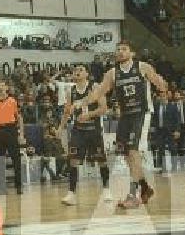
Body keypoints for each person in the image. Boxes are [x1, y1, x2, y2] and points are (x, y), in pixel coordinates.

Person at [75, 40, 167, 209]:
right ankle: (145, 188)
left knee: (132, 151)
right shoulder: (112, 73)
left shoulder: (142, 67)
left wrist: (162, 85)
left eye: (124, 49)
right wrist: (82, 103)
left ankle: (132, 194)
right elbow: (98, 92)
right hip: (125, 116)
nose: (120, 52)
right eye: (118, 50)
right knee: (125, 154)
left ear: (131, 53)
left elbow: (160, 85)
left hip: (141, 113)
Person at [57, 64, 112, 206]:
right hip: (78, 130)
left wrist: (89, 115)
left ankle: (106, 189)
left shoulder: (95, 87)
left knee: (101, 160)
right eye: (75, 70)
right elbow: (67, 112)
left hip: (94, 129)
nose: (77, 72)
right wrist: (60, 128)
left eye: (81, 70)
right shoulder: (71, 91)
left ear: (87, 74)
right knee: (73, 160)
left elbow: (104, 109)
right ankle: (71, 193)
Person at [0, 80, 25, 195]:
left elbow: (19, 118)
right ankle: (1, 187)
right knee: (0, 160)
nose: (1, 87)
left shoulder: (12, 100)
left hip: (11, 130)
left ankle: (19, 186)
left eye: (3, 85)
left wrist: (21, 134)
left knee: (16, 159)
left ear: (7, 88)